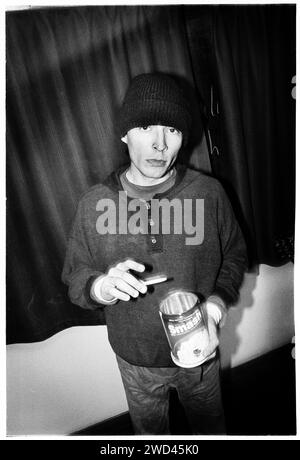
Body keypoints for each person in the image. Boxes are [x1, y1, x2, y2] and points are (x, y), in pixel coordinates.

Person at [62, 73, 248, 435]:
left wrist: (214, 307)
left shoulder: (209, 194)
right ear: (124, 134)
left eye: (173, 130)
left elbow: (235, 257)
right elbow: (75, 276)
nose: (160, 144)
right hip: (136, 361)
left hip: (200, 356)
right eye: (146, 126)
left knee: (212, 430)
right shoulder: (93, 203)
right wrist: (100, 287)